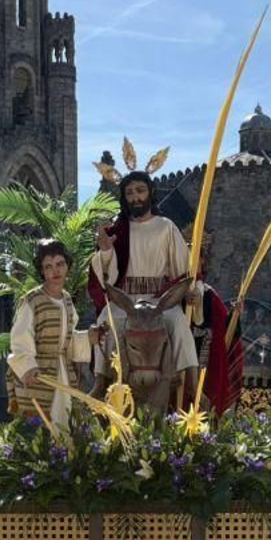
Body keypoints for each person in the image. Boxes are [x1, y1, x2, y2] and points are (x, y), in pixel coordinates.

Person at [87, 169, 199, 408]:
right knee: (105, 321)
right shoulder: (119, 229)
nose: (135, 197)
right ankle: (100, 380)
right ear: (124, 198)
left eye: (140, 191)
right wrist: (106, 249)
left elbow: (184, 268)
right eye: (129, 193)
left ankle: (191, 382)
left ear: (150, 192)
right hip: (126, 302)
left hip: (159, 302)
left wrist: (192, 290)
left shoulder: (166, 227)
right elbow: (106, 274)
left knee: (178, 323)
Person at [8, 238, 90, 427]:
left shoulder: (68, 300)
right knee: (41, 431)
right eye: (49, 267)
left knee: (66, 426)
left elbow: (66, 341)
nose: (56, 271)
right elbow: (20, 339)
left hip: (63, 374)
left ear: (67, 266)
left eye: (60, 264)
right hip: (39, 376)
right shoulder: (32, 301)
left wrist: (89, 337)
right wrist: (28, 366)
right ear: (42, 271)